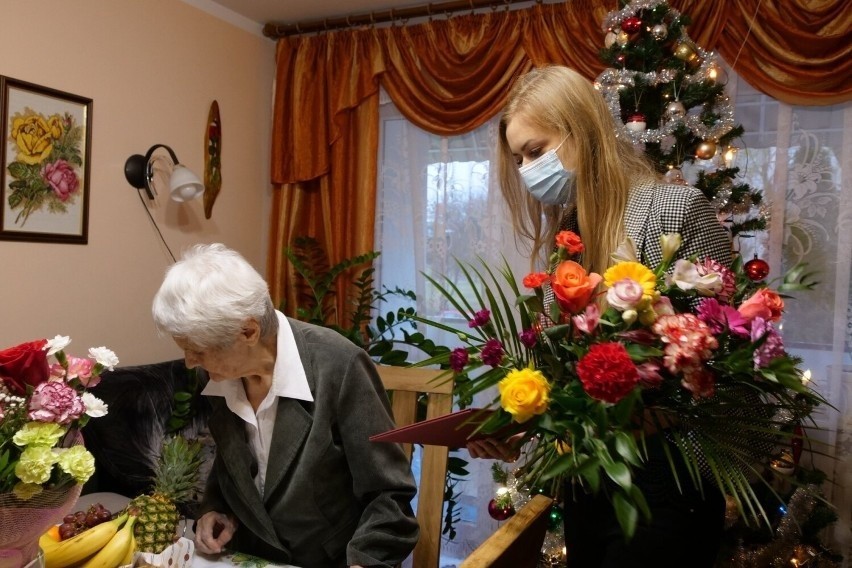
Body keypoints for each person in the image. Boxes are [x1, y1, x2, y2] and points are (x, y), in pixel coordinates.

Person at [466, 65, 733, 568]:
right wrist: (522, 421)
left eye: (536, 151)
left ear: (582, 132)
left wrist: (644, 416)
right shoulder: (568, 236)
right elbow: (568, 374)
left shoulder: (674, 209)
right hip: (589, 479)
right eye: (520, 157)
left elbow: (727, 361)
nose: (527, 170)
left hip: (669, 481)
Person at [151, 243, 419, 568]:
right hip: (249, 558)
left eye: (199, 350)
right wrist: (213, 509)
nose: (190, 362)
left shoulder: (339, 366)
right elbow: (231, 468)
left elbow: (388, 494)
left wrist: (364, 560)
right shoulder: (221, 375)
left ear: (248, 331)